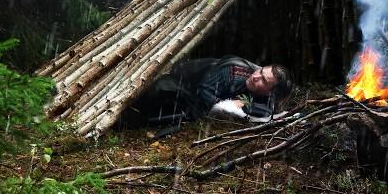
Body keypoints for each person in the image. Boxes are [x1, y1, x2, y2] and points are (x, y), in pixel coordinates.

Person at [120, 55, 293, 134]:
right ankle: (127, 119)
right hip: (183, 82)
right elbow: (204, 93)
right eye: (260, 71)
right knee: (164, 99)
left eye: (264, 79)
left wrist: (245, 106)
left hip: (201, 92)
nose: (256, 76)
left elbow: (267, 112)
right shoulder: (233, 72)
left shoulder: (270, 95)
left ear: (271, 91)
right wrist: (228, 104)